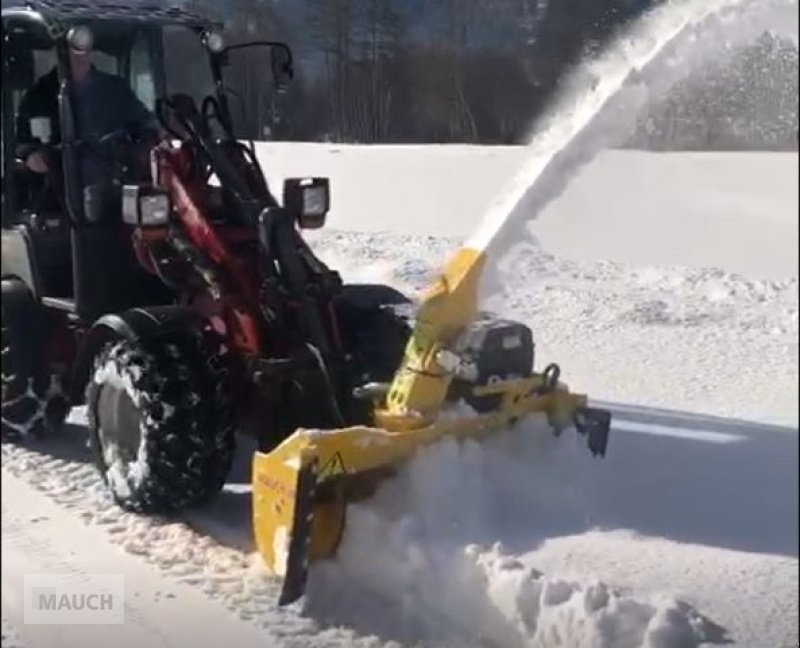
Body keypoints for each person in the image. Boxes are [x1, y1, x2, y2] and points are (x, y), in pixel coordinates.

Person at [16, 26, 162, 186]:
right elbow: (19, 145)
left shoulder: (116, 90)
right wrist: (31, 155)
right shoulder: (37, 96)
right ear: (60, 53)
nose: (79, 57)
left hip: (114, 182)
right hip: (58, 188)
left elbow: (146, 123)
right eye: (72, 50)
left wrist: (152, 141)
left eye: (83, 50)